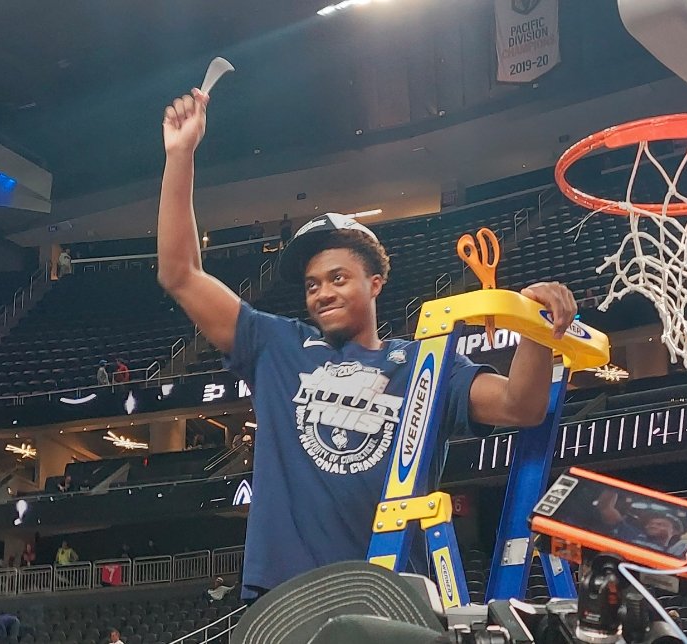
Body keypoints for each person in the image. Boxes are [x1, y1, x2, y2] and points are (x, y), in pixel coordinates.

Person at [157, 88, 577, 600]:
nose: (322, 293)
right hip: (291, 598)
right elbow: (180, 273)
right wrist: (180, 156)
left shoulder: (424, 362)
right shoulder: (275, 345)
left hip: (394, 597)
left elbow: (523, 406)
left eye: (338, 278)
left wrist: (537, 330)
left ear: (375, 283)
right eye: (312, 285)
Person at [597, 491, 686, 554]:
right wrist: (614, 486)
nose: (653, 525)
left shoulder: (673, 554)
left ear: (674, 531)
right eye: (650, 523)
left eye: (660, 524)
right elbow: (605, 508)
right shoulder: (630, 533)